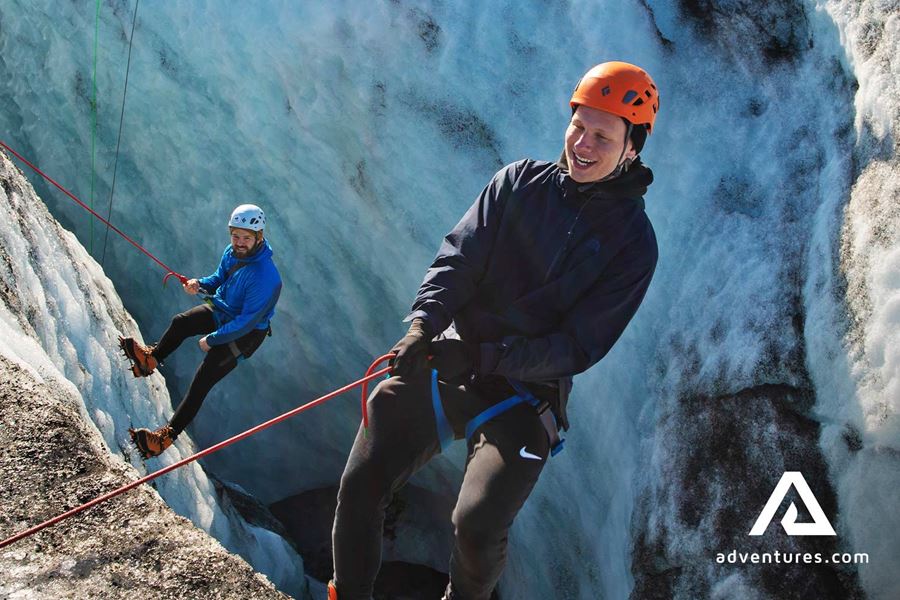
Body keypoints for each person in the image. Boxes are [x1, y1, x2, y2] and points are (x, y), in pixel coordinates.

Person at [328, 61, 661, 600]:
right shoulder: (519, 183)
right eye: (579, 126)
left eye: (603, 135)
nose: (583, 143)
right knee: (361, 481)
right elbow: (459, 260)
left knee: (477, 527)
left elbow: (576, 346)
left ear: (632, 148)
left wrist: (485, 358)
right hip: (452, 361)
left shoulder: (633, 244)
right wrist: (421, 326)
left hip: (525, 396)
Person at [120, 204, 282, 459]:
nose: (239, 242)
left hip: (245, 334)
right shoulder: (232, 253)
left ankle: (165, 438)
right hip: (224, 310)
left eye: (246, 238)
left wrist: (213, 339)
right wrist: (200, 283)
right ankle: (150, 360)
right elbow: (218, 278)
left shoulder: (266, 277)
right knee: (181, 322)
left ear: (259, 237)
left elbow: (246, 322)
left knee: (202, 380)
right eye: (235, 236)